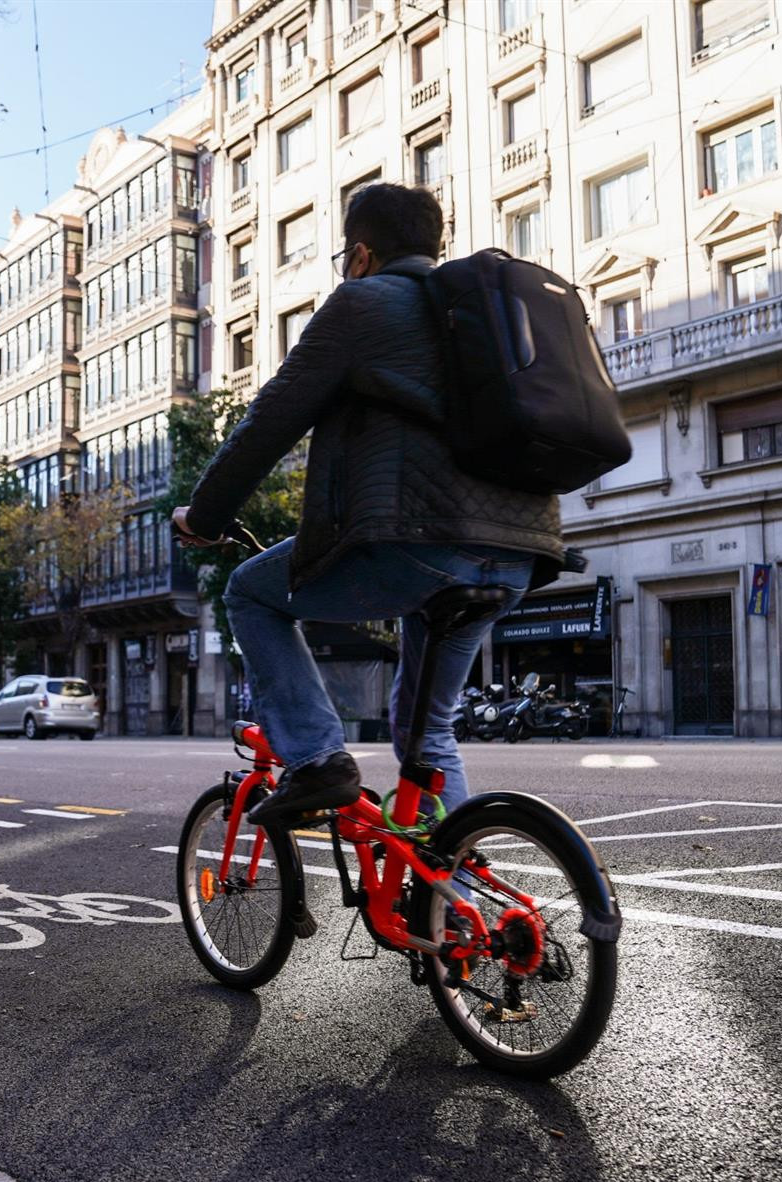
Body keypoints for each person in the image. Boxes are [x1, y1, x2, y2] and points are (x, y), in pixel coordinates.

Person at [174, 183, 564, 826]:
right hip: (520, 552)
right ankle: (450, 895)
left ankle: (318, 758)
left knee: (249, 592)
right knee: (426, 733)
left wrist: (205, 516)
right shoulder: (487, 314)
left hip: (417, 543)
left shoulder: (361, 303)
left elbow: (270, 421)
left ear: (359, 255)